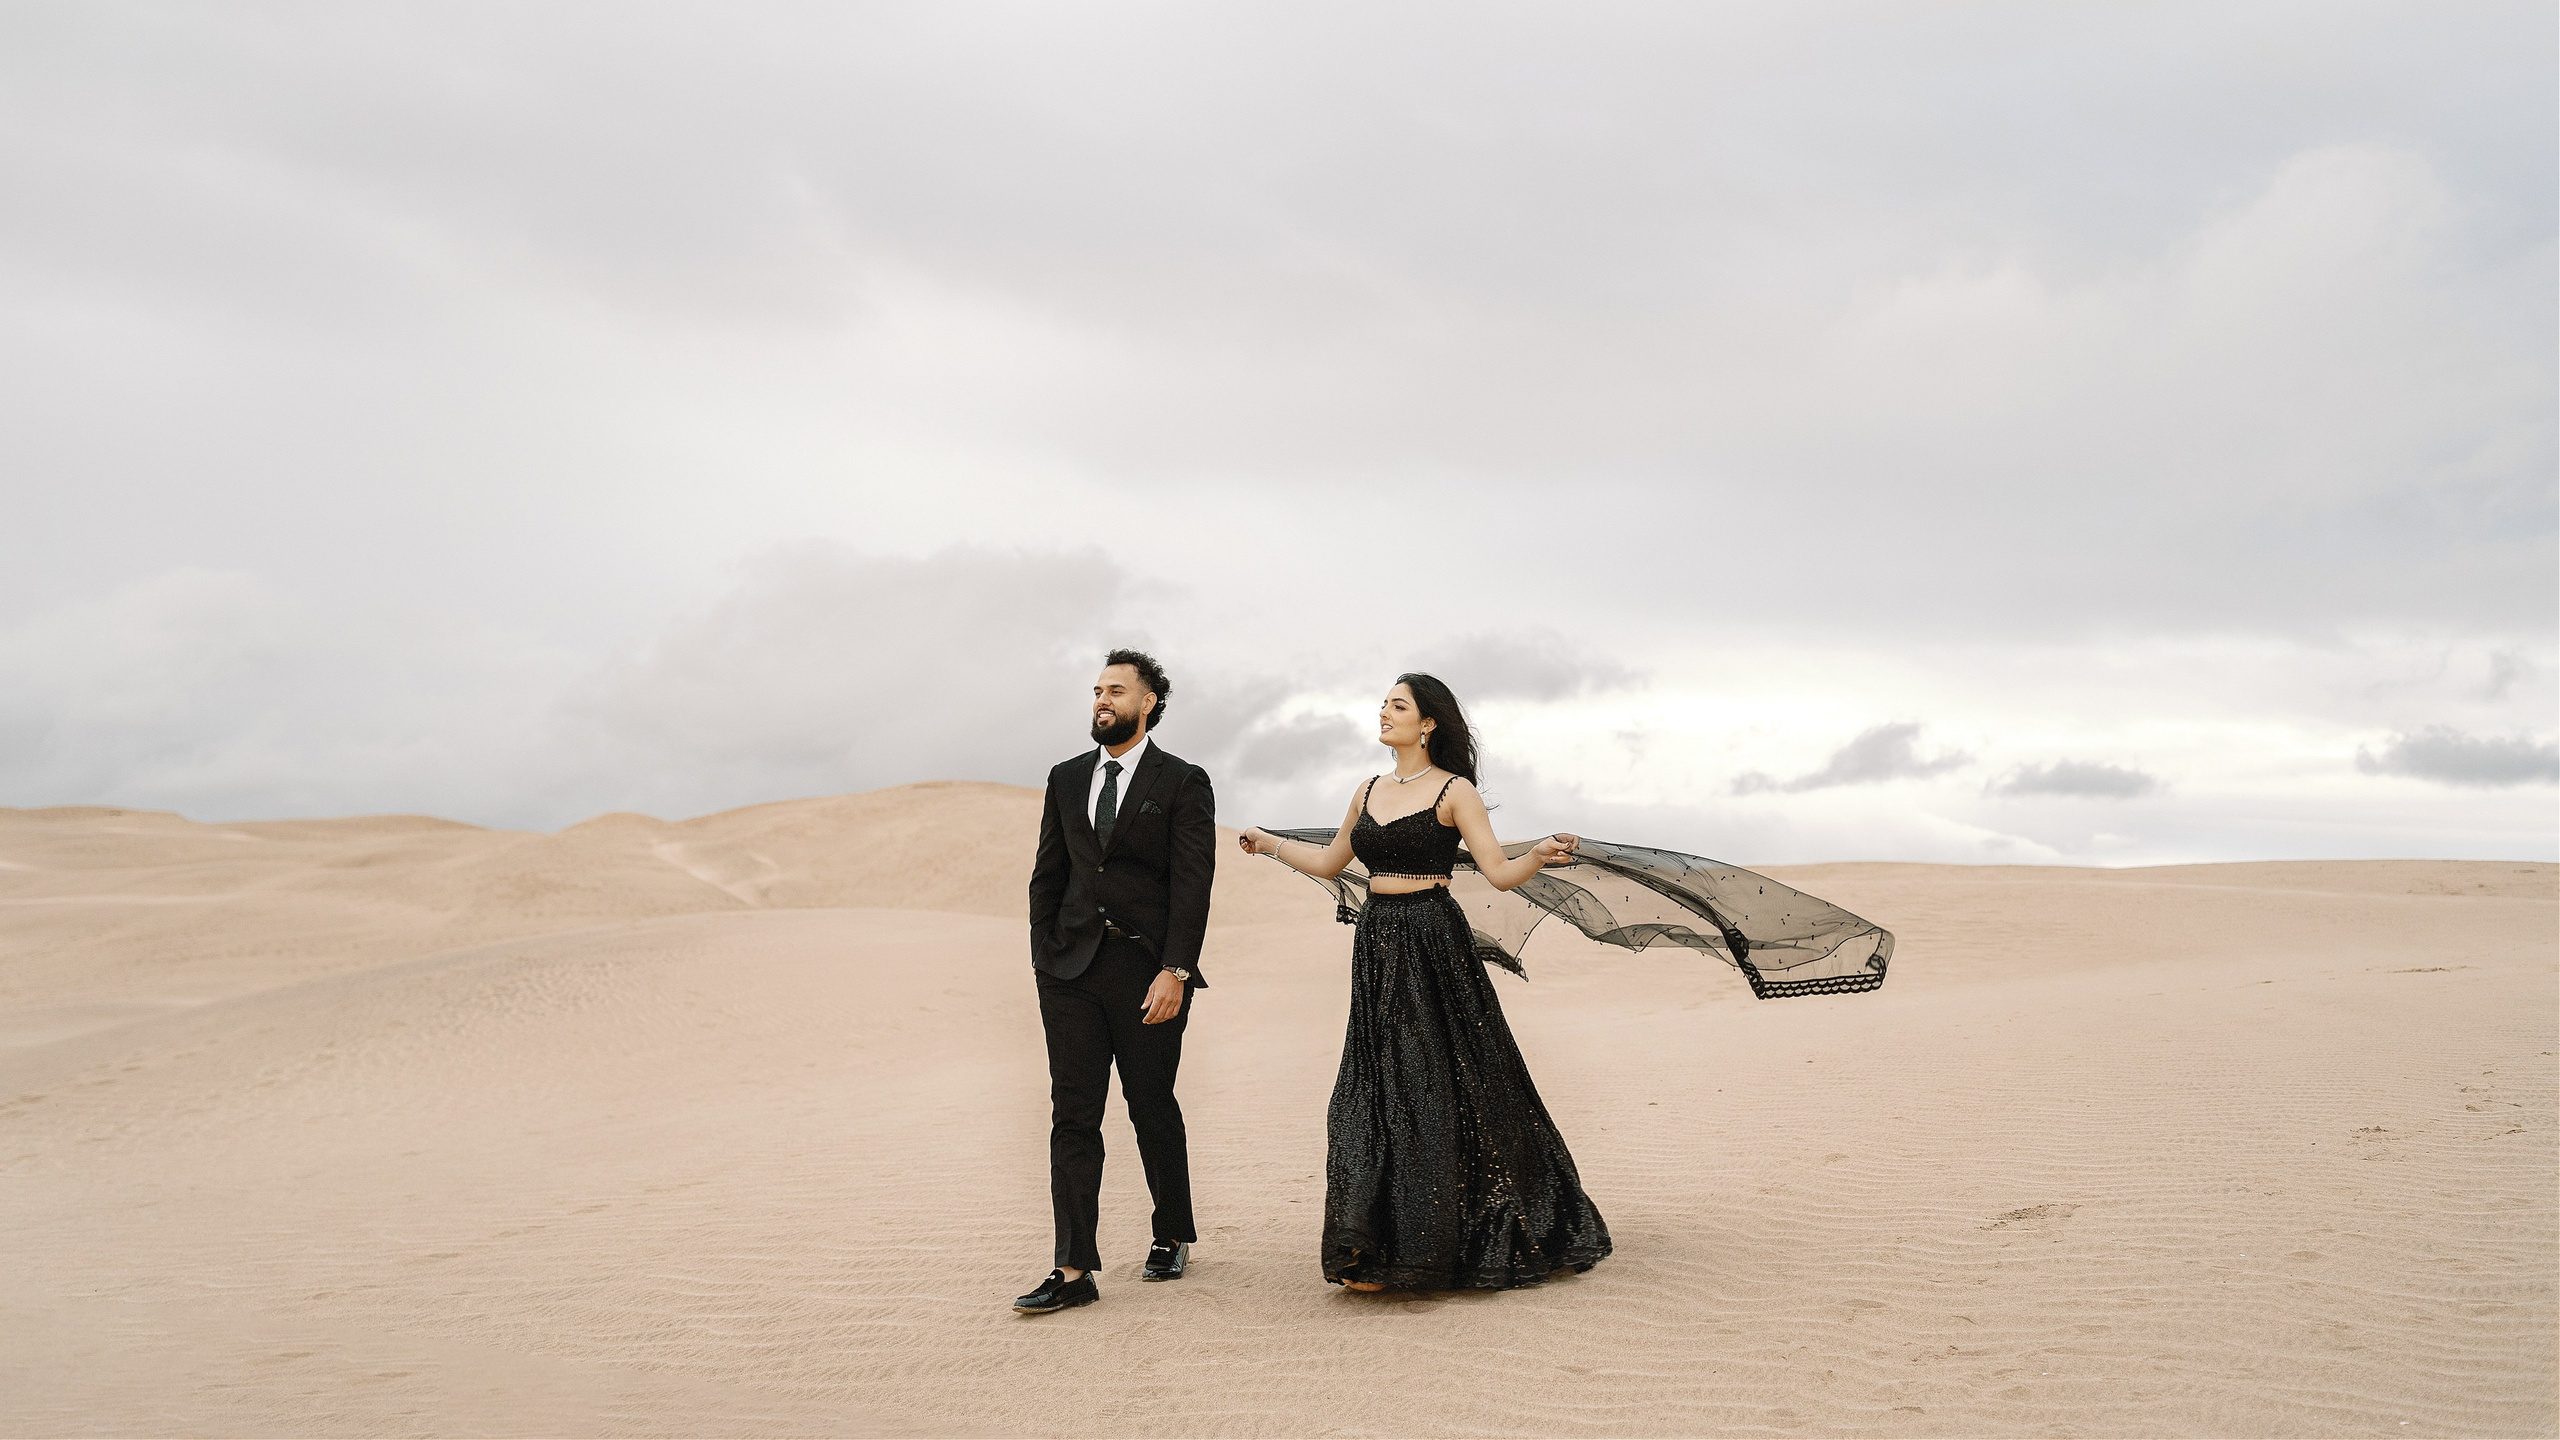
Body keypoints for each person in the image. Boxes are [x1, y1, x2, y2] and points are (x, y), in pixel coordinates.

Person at [1238, 673, 1611, 1292]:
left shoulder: (1454, 791)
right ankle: (1374, 1241)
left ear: (1428, 722)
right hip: (1378, 943)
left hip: (1432, 939)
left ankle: (1449, 1237)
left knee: (1446, 1078)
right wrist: (1272, 844)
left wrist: (1539, 854)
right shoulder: (1367, 788)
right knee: (1378, 1083)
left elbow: (1496, 872)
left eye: (1398, 706)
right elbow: (1333, 863)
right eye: (1383, 704)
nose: (1384, 713)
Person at [1016, 649, 1217, 1315]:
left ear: (1149, 702)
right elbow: (1049, 872)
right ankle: (1073, 1270)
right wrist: (1043, 952)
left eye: (1116, 691)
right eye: (1097, 690)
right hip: (1069, 970)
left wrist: (1176, 970)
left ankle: (1171, 1231)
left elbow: (1192, 887)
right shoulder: (1066, 778)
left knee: (1150, 1102)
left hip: (1146, 972)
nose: (1102, 700)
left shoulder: (1183, 781)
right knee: (1073, 1116)